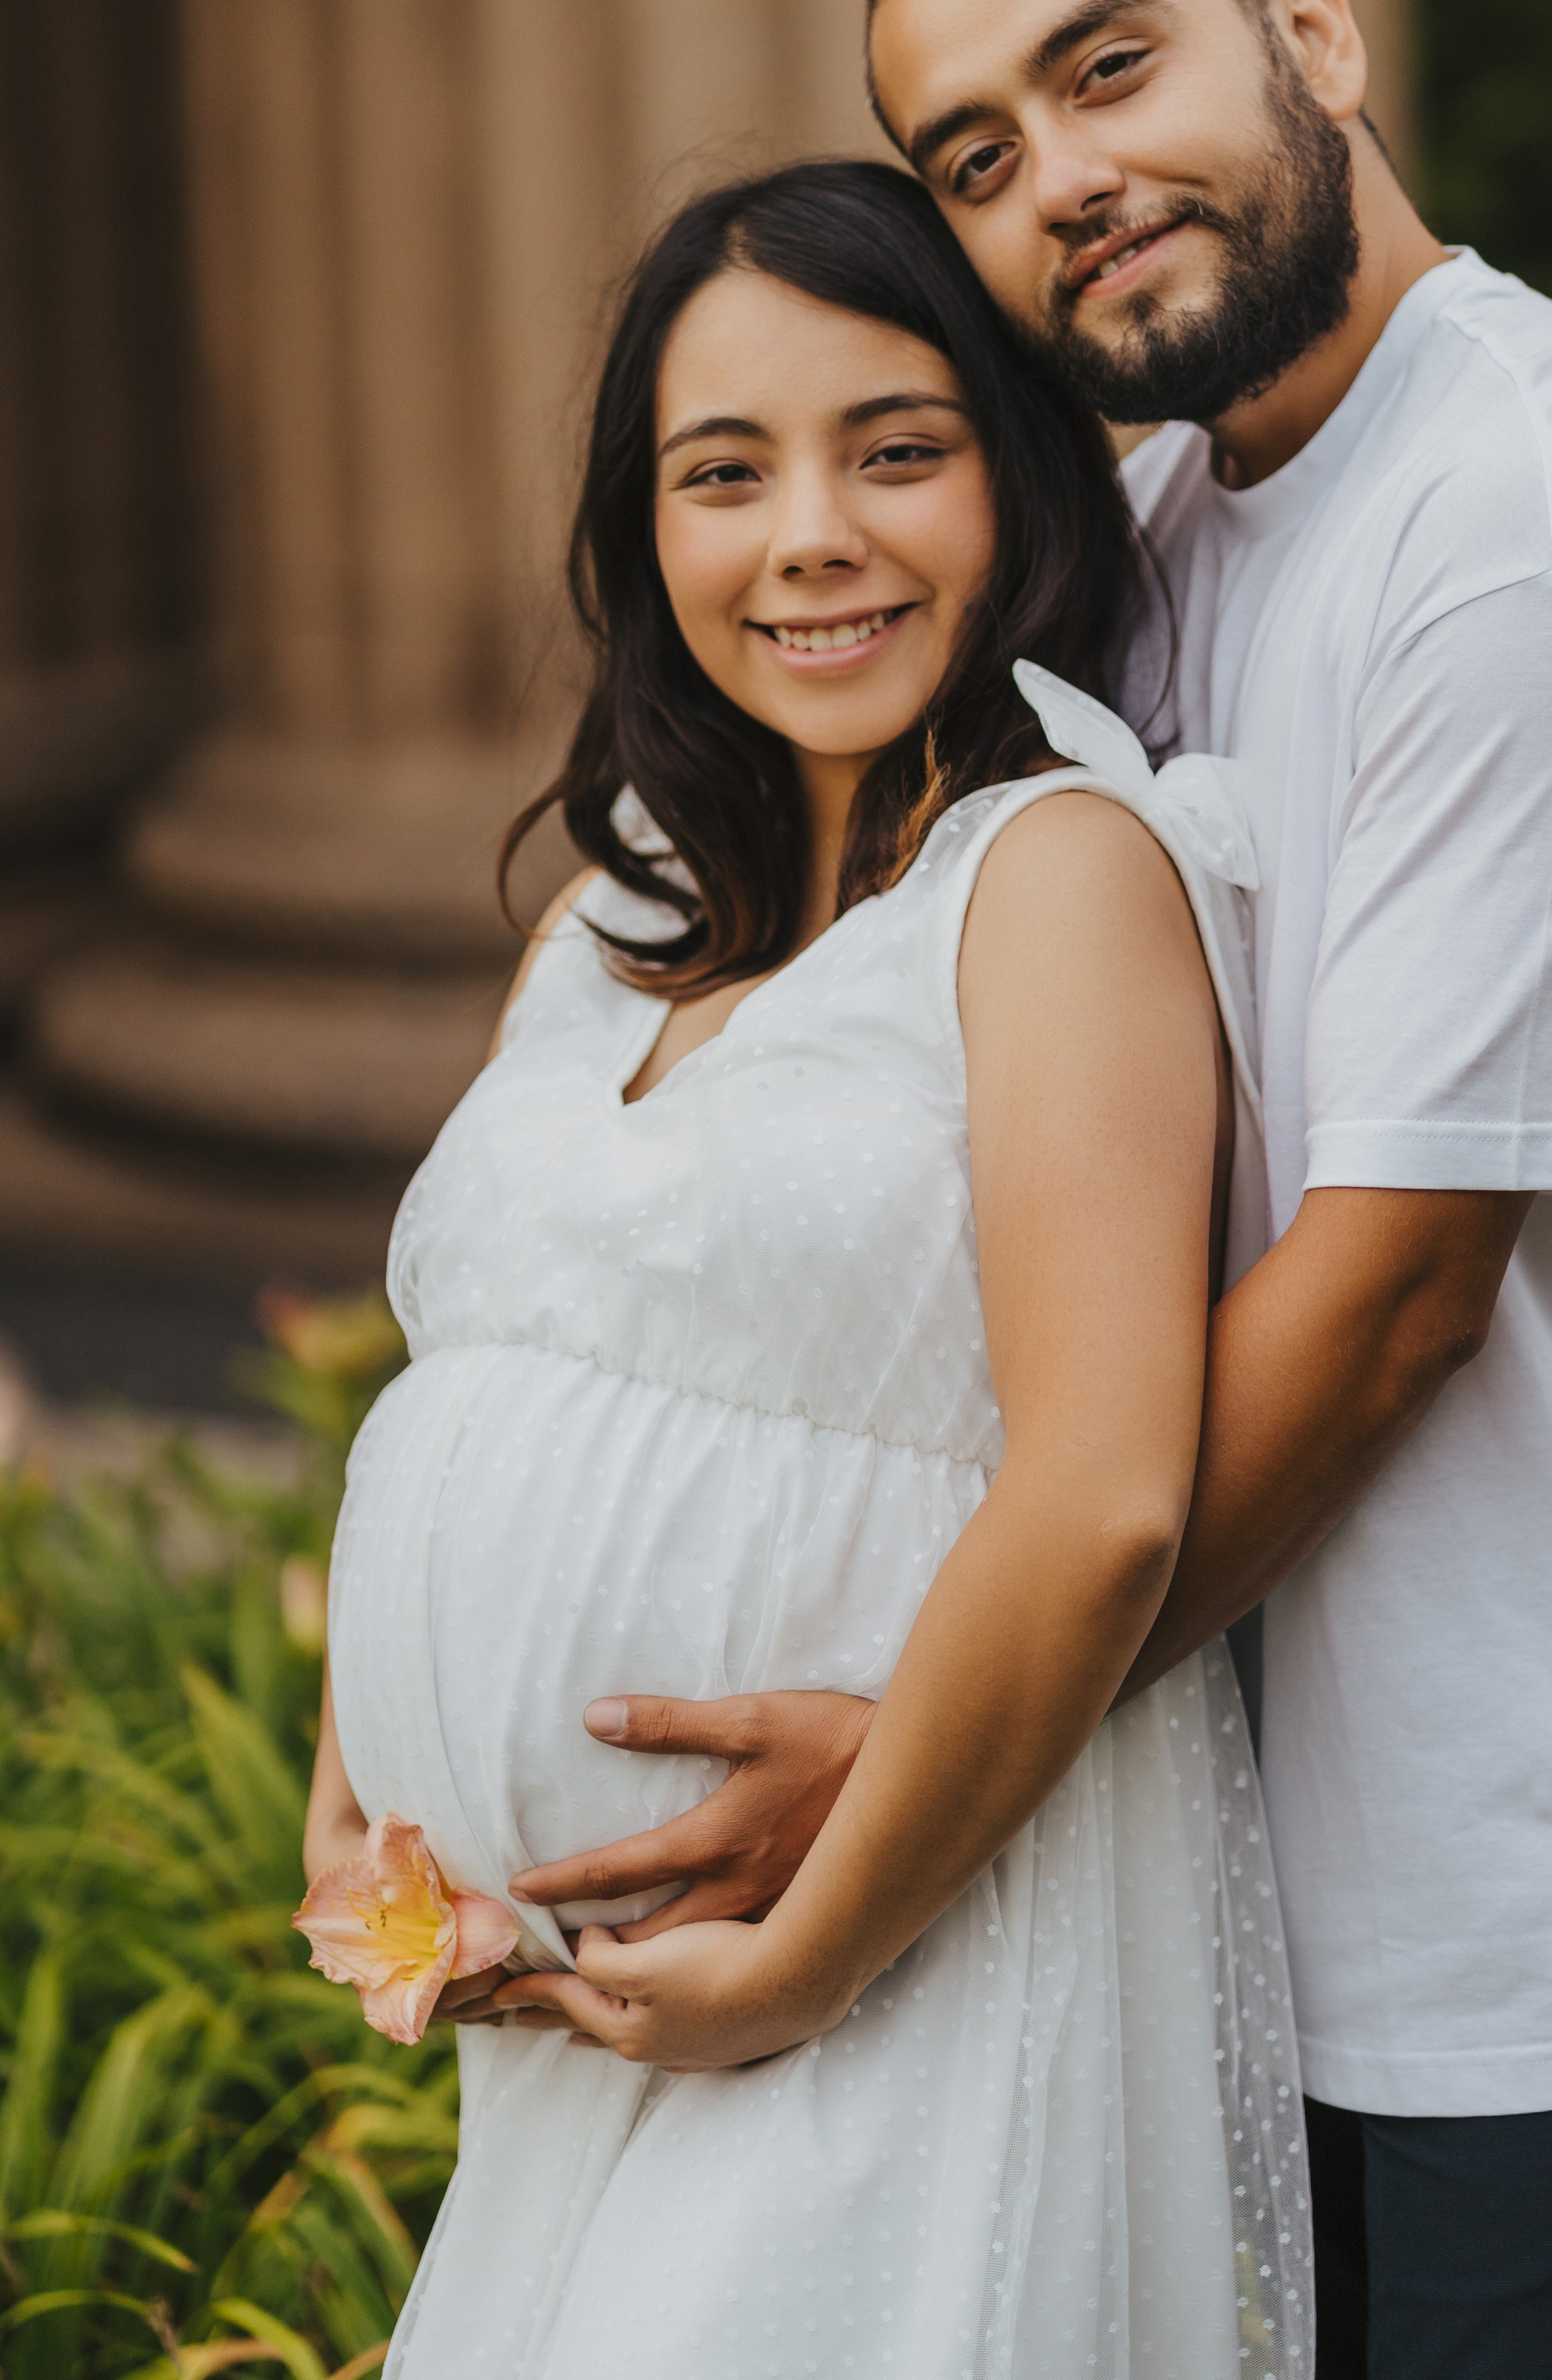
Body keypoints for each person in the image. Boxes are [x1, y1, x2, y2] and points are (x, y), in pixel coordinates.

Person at [523, 0, 1552, 2379]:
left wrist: (924, 1753)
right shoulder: (1164, 513)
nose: (1066, 181)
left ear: (1318, 36)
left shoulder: (1544, 544)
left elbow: (1394, 1300)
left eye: (1106, 65)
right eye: (979, 155)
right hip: (1242, 1840)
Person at [302, 156, 1313, 2379]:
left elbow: (1110, 1486)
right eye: (724, 473)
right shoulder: (618, 909)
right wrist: (362, 1791)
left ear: (1021, 478)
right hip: (572, 2026)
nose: (810, 538)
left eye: (898, 452)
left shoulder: (1056, 872)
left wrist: (809, 1958)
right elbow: (471, 1369)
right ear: (645, 532)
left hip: (895, 1960)